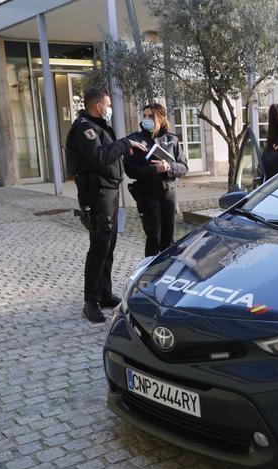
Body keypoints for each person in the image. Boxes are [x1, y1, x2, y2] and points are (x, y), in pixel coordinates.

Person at [66, 88, 146, 323]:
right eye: (108, 105)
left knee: (109, 244)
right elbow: (99, 156)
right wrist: (124, 144)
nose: (110, 109)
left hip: (108, 192)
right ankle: (90, 302)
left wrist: (123, 146)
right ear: (98, 106)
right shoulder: (85, 128)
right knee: (99, 245)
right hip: (96, 193)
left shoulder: (97, 125)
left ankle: (104, 293)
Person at [124, 103, 189, 257]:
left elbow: (184, 167)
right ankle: (149, 274)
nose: (146, 119)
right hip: (147, 194)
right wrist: (154, 170)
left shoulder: (172, 139)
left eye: (150, 116)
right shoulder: (135, 139)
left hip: (168, 193)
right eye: (144, 116)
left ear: (160, 118)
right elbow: (130, 170)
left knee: (168, 238)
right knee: (153, 237)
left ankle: (166, 271)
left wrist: (169, 167)